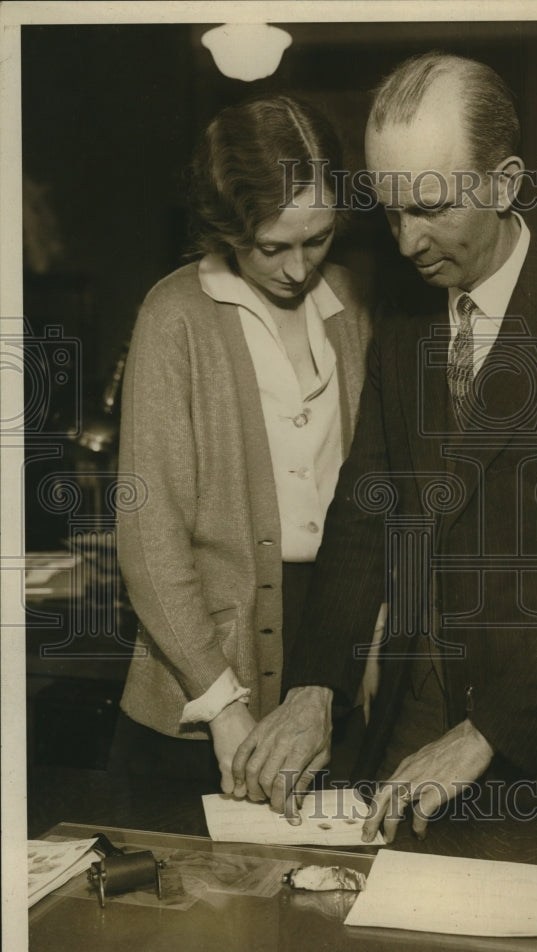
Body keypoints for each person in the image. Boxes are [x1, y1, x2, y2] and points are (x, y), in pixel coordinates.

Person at [231, 53, 537, 867]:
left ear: (505, 183)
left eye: (432, 207)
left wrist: (480, 736)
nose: (408, 241)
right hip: (412, 728)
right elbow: (365, 512)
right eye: (391, 211)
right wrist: (314, 687)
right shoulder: (408, 318)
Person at [111, 95, 374, 793]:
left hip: (329, 639)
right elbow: (150, 541)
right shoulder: (175, 317)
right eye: (272, 247)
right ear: (227, 226)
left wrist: (370, 641)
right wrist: (222, 704)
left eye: (317, 240)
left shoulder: (349, 305)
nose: (298, 269)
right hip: (201, 659)